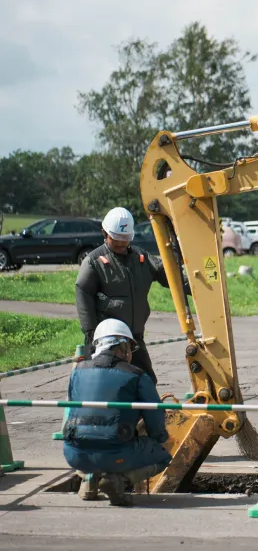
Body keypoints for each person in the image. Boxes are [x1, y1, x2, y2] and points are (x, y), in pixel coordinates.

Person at [62, 319, 171, 506]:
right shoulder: (136, 376)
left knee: (91, 434)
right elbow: (155, 419)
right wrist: (159, 438)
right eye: (128, 346)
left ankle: (89, 480)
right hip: (116, 454)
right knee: (163, 456)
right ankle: (119, 481)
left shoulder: (78, 371)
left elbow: (75, 409)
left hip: (74, 454)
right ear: (121, 346)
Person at [75, 207, 172, 385]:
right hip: (106, 341)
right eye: (116, 241)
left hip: (134, 338)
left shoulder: (141, 257)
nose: (121, 246)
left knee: (146, 381)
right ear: (104, 233)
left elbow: (170, 276)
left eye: (125, 241)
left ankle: (146, 413)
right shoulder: (94, 262)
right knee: (107, 385)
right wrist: (90, 333)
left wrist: (199, 286)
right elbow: (83, 292)